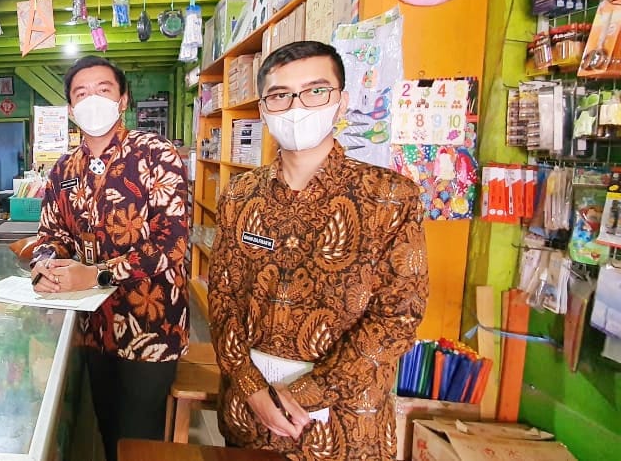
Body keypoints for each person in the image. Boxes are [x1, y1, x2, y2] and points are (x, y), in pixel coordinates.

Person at [209, 41, 428, 459]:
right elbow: (222, 298)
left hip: (345, 423)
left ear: (341, 102)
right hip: (251, 417)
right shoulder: (240, 194)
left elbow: (398, 315)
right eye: (280, 95)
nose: (296, 107)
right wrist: (251, 387)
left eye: (315, 91)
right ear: (263, 110)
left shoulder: (390, 197)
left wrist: (308, 393)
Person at [30, 56, 190, 460]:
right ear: (71, 109)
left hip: (150, 324)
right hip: (92, 326)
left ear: (123, 100)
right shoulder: (64, 169)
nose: (92, 100)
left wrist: (98, 274)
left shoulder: (156, 154)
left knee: (139, 438)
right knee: (107, 428)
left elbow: (171, 243)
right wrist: (44, 264)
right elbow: (51, 234)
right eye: (81, 93)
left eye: (103, 90)